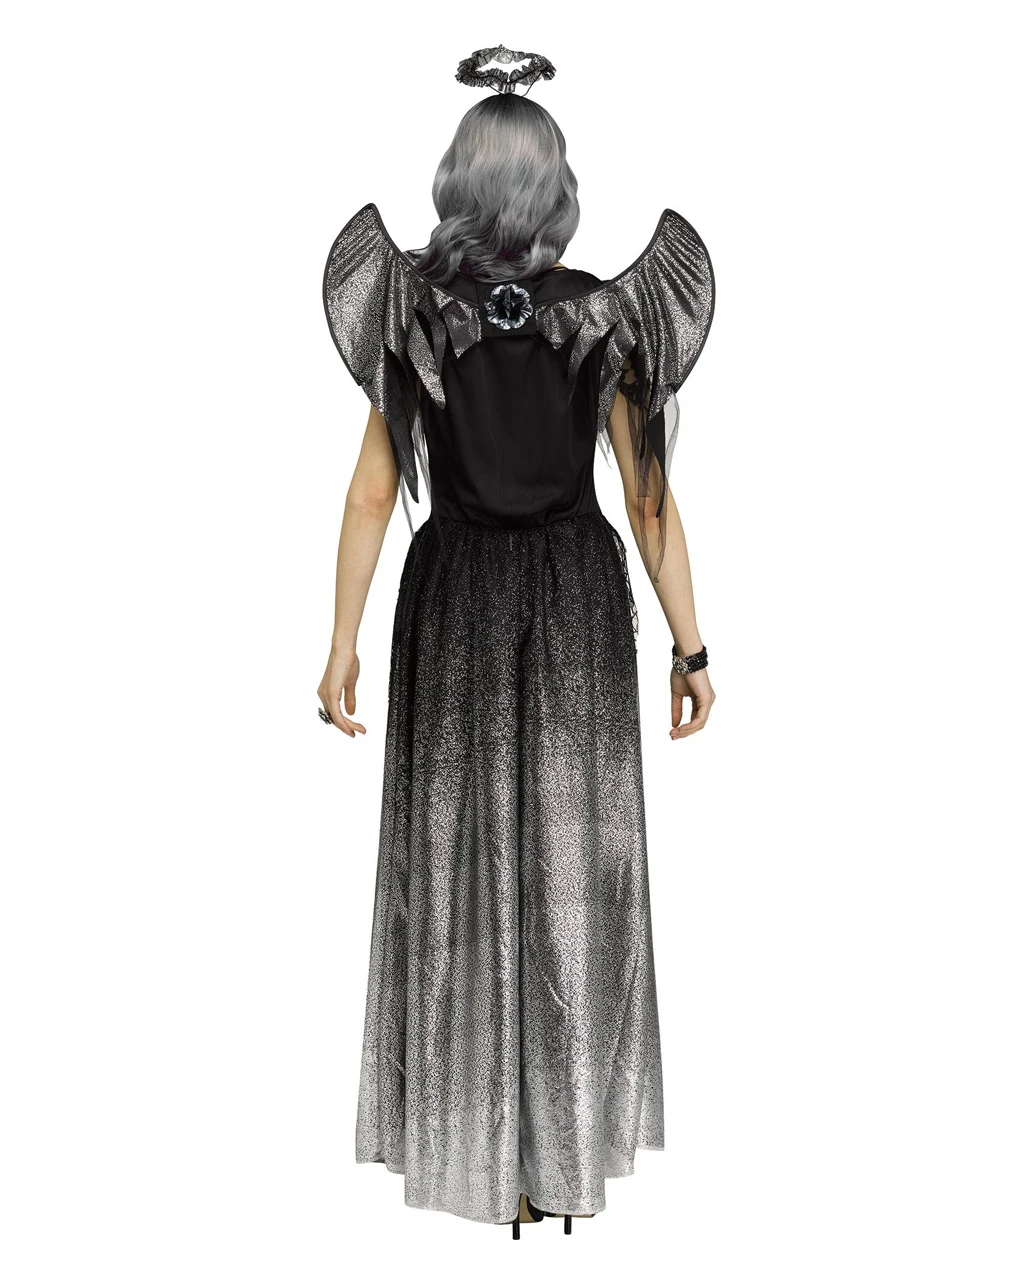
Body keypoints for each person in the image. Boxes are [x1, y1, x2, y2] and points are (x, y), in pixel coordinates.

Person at [317, 45, 716, 1238]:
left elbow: (370, 493)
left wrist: (339, 642)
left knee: (461, 863)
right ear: (553, 186)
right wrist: (691, 648)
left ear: (457, 180)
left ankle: (487, 1149)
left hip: (453, 598)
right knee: (571, 868)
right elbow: (648, 501)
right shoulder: (603, 316)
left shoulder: (416, 314)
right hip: (574, 602)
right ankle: (552, 1153)